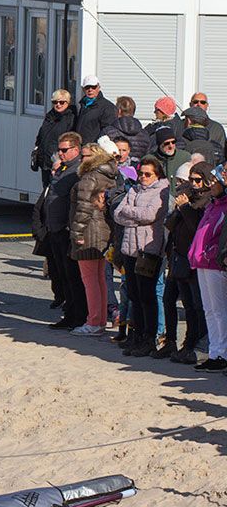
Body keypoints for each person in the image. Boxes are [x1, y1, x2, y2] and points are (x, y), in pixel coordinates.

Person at [113, 155, 170, 356]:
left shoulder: (162, 191)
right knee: (133, 295)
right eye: (141, 174)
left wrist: (130, 213)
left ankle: (149, 338)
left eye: (148, 174)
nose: (143, 178)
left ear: (157, 175)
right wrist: (136, 216)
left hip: (148, 250)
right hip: (130, 248)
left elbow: (151, 215)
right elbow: (118, 214)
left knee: (147, 295)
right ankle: (136, 335)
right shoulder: (134, 189)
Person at [68, 139, 118, 336]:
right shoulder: (109, 175)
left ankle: (94, 321)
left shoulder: (89, 177)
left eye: (85, 155)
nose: (82, 159)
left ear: (95, 157)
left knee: (90, 280)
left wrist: (76, 233)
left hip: (89, 231)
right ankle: (100, 319)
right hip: (103, 230)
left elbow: (83, 208)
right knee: (100, 279)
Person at [40, 131, 86, 330]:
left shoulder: (77, 171)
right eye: (59, 150)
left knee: (73, 277)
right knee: (62, 276)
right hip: (55, 229)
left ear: (76, 149)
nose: (60, 153)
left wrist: (70, 226)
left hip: (67, 230)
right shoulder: (63, 168)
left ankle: (78, 316)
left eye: (64, 150)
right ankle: (69, 313)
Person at [165, 165, 211, 362]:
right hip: (180, 258)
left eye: (198, 180)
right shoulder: (189, 197)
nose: (194, 184)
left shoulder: (207, 200)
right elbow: (170, 225)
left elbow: (197, 229)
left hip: (197, 262)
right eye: (191, 180)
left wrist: (185, 208)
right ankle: (188, 343)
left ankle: (199, 346)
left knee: (199, 307)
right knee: (188, 305)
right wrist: (179, 209)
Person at [188, 166, 227, 372]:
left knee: (219, 310)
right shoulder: (212, 205)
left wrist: (211, 253)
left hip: (214, 263)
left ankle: (223, 353)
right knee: (209, 310)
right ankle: (214, 351)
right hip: (201, 262)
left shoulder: (224, 207)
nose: (211, 184)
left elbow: (220, 237)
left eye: (215, 180)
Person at [32, 89, 77, 187]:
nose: (58, 105)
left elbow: (70, 141)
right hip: (45, 162)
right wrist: (37, 150)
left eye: (62, 102)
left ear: (68, 102)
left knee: (55, 190)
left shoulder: (70, 118)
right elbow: (41, 135)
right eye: (55, 102)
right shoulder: (50, 116)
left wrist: (60, 159)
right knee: (46, 189)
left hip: (59, 162)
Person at [74, 75, 118, 143]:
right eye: (87, 87)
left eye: (93, 87)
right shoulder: (83, 104)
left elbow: (108, 131)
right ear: (83, 89)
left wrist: (96, 146)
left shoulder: (107, 107)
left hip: (94, 147)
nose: (90, 90)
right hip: (80, 145)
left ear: (98, 87)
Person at [108, 96, 152, 161]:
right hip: (137, 166)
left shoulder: (108, 132)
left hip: (115, 166)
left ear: (119, 111)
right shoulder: (144, 134)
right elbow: (147, 155)